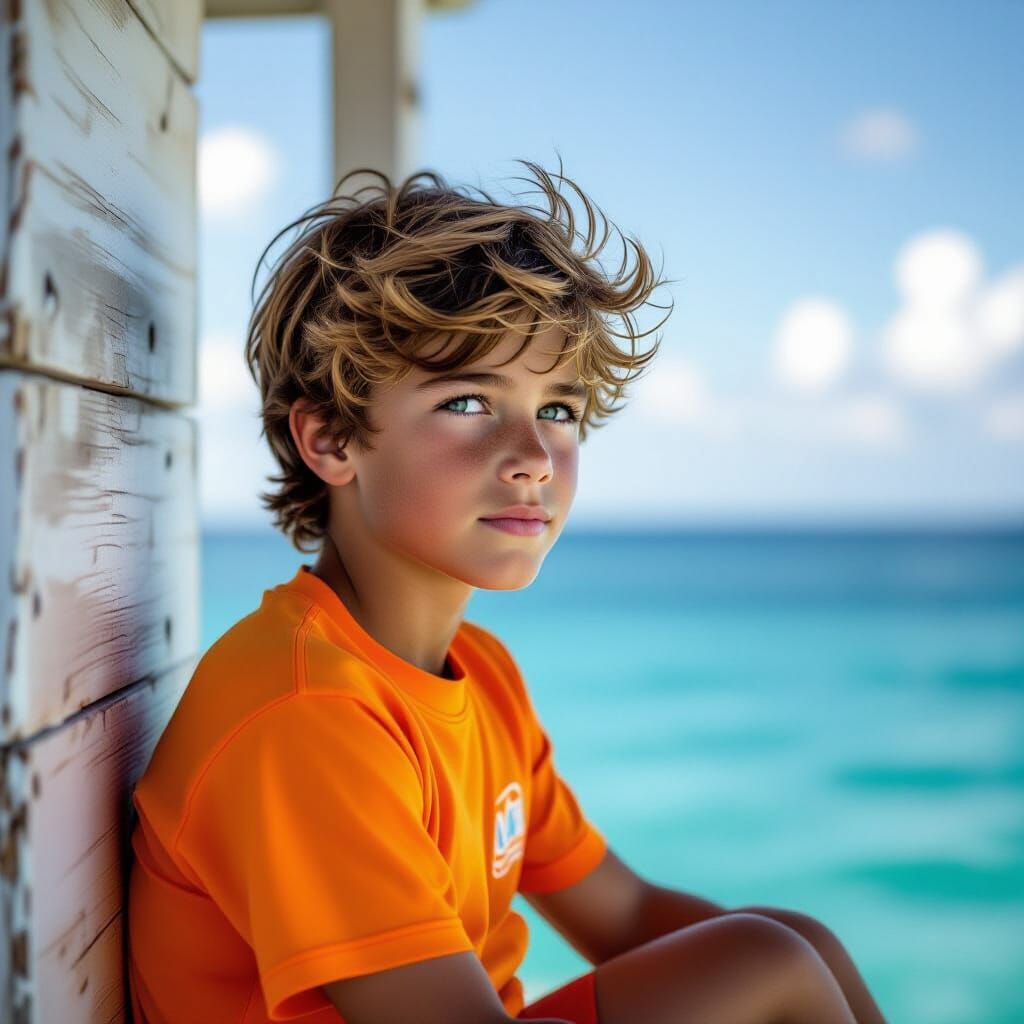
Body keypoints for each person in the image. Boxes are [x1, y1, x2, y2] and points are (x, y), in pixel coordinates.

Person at [126, 161, 887, 1024]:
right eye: (468, 401)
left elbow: (628, 915)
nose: (532, 454)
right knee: (766, 961)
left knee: (797, 942)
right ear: (332, 438)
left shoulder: (480, 676)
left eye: (559, 408)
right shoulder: (305, 713)